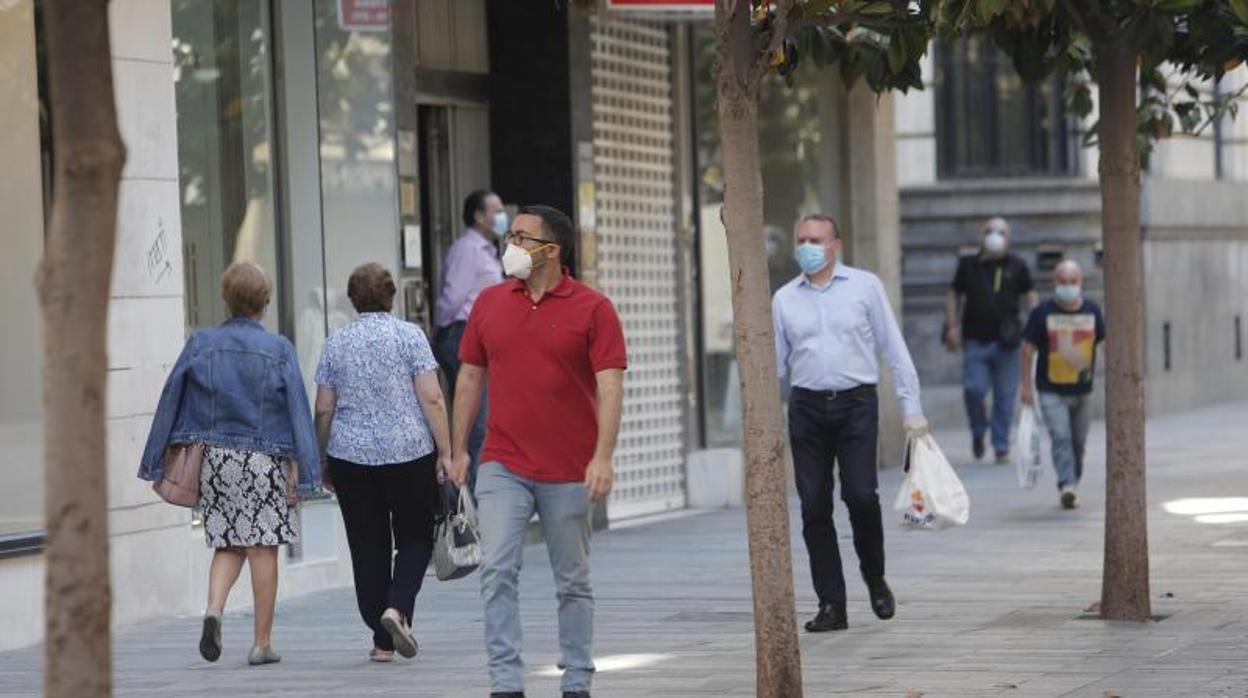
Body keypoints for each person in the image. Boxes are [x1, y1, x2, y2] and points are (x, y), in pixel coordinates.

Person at [449, 205, 626, 698]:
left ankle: (576, 680)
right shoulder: (488, 303)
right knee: (497, 568)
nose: (511, 245)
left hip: (570, 468)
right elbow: (468, 376)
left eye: (522, 238)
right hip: (503, 462)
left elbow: (610, 386)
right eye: (510, 236)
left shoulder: (593, 308)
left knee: (572, 581)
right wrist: (457, 448)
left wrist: (603, 456)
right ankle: (505, 682)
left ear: (551, 250)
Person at [138, 261, 319, 666]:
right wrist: (307, 474)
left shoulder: (201, 343)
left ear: (225, 298)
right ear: (266, 302)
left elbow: (170, 397)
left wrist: (156, 459)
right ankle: (261, 642)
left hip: (216, 460)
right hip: (263, 460)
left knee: (228, 542)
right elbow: (298, 412)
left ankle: (214, 610)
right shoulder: (279, 349)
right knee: (262, 549)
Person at [773, 214, 929, 633]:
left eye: (815, 239)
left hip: (857, 404)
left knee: (861, 495)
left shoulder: (865, 287)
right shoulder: (784, 298)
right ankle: (831, 603)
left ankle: (874, 577)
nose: (807, 245)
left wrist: (911, 407)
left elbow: (892, 347)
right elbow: (774, 364)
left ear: (835, 245)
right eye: (801, 238)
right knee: (813, 505)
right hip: (806, 408)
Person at [314, 263, 453, 663]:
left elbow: (324, 407)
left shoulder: (336, 342)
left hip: (350, 459)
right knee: (414, 537)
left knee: (367, 546)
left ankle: (382, 641)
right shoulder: (410, 336)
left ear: (352, 299)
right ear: (391, 296)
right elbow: (432, 398)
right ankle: (397, 608)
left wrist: (322, 456)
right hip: (408, 455)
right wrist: (444, 452)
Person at [944, 216, 1039, 463]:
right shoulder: (968, 265)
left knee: (1005, 398)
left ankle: (1000, 445)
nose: (995, 235)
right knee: (973, 389)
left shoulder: (1017, 265)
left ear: (1009, 239)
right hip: (975, 340)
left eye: (1001, 232)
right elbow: (954, 294)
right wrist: (952, 325)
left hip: (1008, 343)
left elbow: (1030, 296)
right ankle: (978, 431)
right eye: (989, 230)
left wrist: (1036, 322)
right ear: (981, 236)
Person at [434, 189, 506, 493]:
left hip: (482, 336)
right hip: (463, 332)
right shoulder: (468, 249)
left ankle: (478, 493)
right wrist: (441, 330)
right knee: (476, 423)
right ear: (478, 216)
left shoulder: (489, 250)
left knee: (483, 421)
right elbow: (453, 297)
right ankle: (474, 498)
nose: (502, 216)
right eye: (496, 210)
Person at [1020, 260, 1105, 510]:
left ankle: (1073, 482)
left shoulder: (1092, 311)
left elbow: (1102, 343)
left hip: (1083, 389)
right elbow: (1026, 350)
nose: (1068, 286)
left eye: (1072, 281)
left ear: (1081, 283)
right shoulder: (1042, 314)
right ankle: (1066, 485)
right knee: (1061, 437)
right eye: (1062, 281)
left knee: (1079, 441)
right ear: (1054, 283)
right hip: (1050, 390)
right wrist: (1026, 387)